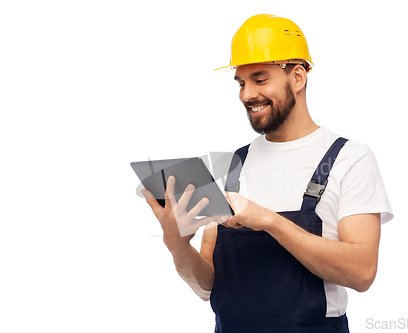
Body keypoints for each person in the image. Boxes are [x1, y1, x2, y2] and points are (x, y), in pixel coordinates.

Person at [142, 14, 393, 333]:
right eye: (242, 83)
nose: (246, 95)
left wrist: (270, 221)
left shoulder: (349, 158)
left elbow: (361, 272)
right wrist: (177, 244)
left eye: (260, 80)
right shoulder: (234, 164)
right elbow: (208, 285)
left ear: (298, 77)